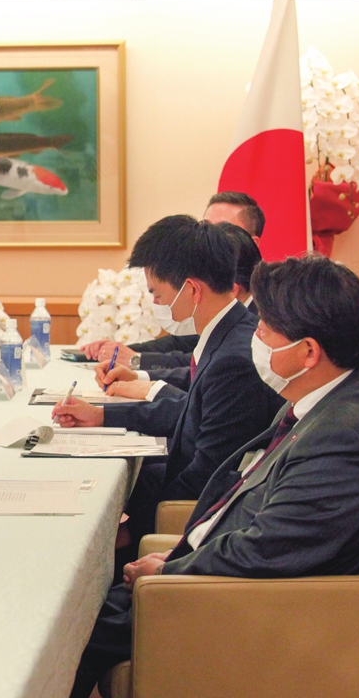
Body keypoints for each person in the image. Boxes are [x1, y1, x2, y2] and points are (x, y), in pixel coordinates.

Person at [69, 254, 359, 698]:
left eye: (264, 330)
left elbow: (268, 549)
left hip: (246, 613)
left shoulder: (344, 439)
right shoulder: (331, 396)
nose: (253, 337)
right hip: (209, 578)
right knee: (73, 608)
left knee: (66, 637)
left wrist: (171, 569)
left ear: (309, 351)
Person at [53, 216, 283, 560]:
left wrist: (130, 526)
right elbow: (193, 410)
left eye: (157, 293)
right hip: (182, 478)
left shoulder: (234, 357)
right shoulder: (226, 333)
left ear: (191, 290)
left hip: (191, 516)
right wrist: (101, 414)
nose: (155, 303)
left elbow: (208, 474)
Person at [82, 192, 265, 366]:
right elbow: (183, 343)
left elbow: (200, 364)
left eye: (220, 230)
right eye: (207, 226)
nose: (209, 236)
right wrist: (119, 351)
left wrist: (136, 361)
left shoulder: (261, 318)